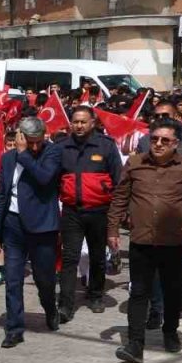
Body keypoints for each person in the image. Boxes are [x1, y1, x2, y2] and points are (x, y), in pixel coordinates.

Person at [107, 118, 182, 363]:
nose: (158, 144)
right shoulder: (134, 163)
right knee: (139, 292)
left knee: (172, 291)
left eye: (165, 140)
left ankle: (170, 331)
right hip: (141, 240)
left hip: (173, 241)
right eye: (154, 139)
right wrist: (112, 230)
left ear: (176, 143)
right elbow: (120, 197)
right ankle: (135, 345)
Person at [0, 115, 63, 348]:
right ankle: (14, 328)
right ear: (20, 136)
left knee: (44, 279)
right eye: (28, 141)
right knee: (12, 279)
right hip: (13, 225)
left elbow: (44, 178)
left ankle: (50, 309)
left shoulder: (51, 153)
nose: (34, 146)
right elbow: (2, 195)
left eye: (37, 141)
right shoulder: (8, 158)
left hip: (42, 227)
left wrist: (25, 154)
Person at [136, 100, 182, 323]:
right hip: (153, 215)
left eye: (165, 116)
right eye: (156, 117)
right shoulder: (144, 143)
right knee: (156, 266)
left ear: (177, 117)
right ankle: (157, 308)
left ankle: (179, 296)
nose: (160, 121)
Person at [56, 105, 122, 321]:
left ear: (93, 123)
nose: (79, 125)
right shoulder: (62, 147)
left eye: (83, 121)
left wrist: (116, 215)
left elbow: (118, 181)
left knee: (97, 257)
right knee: (69, 258)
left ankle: (95, 295)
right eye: (75, 121)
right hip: (72, 212)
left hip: (99, 211)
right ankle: (65, 304)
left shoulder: (106, 146)